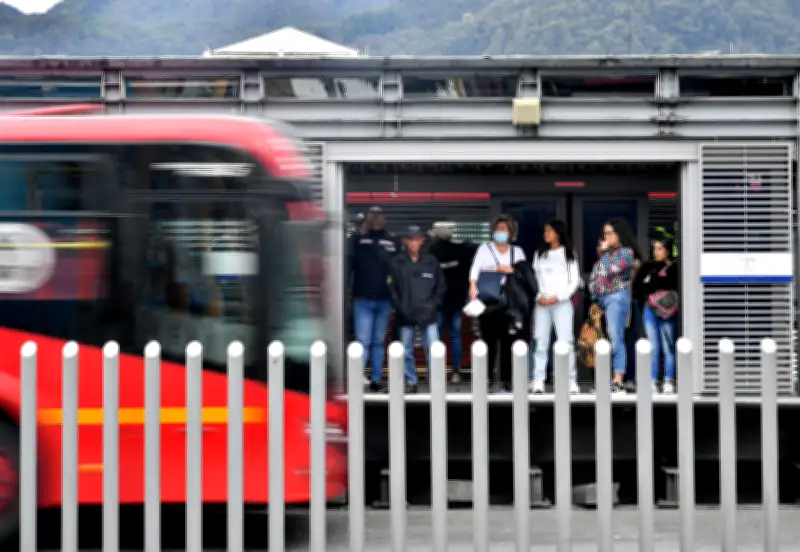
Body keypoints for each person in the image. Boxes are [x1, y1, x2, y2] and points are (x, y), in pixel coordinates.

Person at [468, 215, 527, 391]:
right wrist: (473, 286)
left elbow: (524, 273)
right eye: (498, 228)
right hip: (489, 301)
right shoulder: (484, 249)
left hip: (510, 302)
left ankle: (506, 381)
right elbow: (475, 269)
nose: (500, 232)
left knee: (509, 341)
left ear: (511, 232)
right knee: (488, 341)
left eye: (504, 229)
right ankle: (486, 379)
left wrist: (510, 269)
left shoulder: (517, 252)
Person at [388, 225, 445, 394]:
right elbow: (391, 288)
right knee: (406, 350)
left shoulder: (431, 261)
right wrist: (400, 306)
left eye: (417, 239)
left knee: (433, 350)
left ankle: (435, 382)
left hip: (428, 313)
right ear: (405, 241)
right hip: (406, 313)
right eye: (410, 239)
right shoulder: (397, 262)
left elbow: (441, 286)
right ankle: (411, 381)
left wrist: (434, 304)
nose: (414, 243)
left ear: (422, 241)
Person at [348, 206, 399, 392]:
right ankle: (357, 379)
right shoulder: (357, 239)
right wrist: (360, 232)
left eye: (379, 215)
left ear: (384, 218)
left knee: (378, 341)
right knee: (363, 341)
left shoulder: (392, 240)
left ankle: (376, 379)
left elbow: (399, 267)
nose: (377, 219)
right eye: (373, 216)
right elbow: (347, 259)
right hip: (363, 298)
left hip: (384, 299)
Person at [588, 218, 640, 393]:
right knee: (603, 339)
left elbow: (611, 270)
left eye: (610, 233)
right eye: (605, 234)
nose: (606, 237)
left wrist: (602, 253)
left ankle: (618, 380)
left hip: (616, 297)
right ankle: (606, 380)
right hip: (601, 300)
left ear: (619, 234)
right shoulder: (605, 255)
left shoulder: (626, 252)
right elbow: (596, 276)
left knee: (616, 337)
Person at [530, 219, 581, 394]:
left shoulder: (568, 253)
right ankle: (538, 380)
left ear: (558, 233)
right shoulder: (539, 254)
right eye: (545, 230)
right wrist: (539, 296)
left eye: (549, 230)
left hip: (562, 303)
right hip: (542, 303)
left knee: (566, 341)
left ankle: (570, 380)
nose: (546, 234)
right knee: (540, 341)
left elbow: (574, 281)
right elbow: (534, 279)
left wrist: (558, 297)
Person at [633, 237, 679, 394]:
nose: (656, 252)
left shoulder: (674, 267)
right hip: (650, 309)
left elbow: (672, 284)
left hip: (668, 310)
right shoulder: (648, 266)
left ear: (668, 250)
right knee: (653, 347)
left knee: (668, 346)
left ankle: (668, 380)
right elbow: (639, 287)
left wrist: (652, 282)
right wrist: (655, 283)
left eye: (660, 248)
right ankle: (653, 380)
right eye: (655, 249)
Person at [428, 224, 471, 383]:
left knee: (436, 337)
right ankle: (456, 371)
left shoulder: (432, 252)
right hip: (456, 301)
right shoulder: (461, 251)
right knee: (455, 336)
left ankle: (437, 371)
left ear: (436, 237)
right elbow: (467, 275)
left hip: (438, 301)